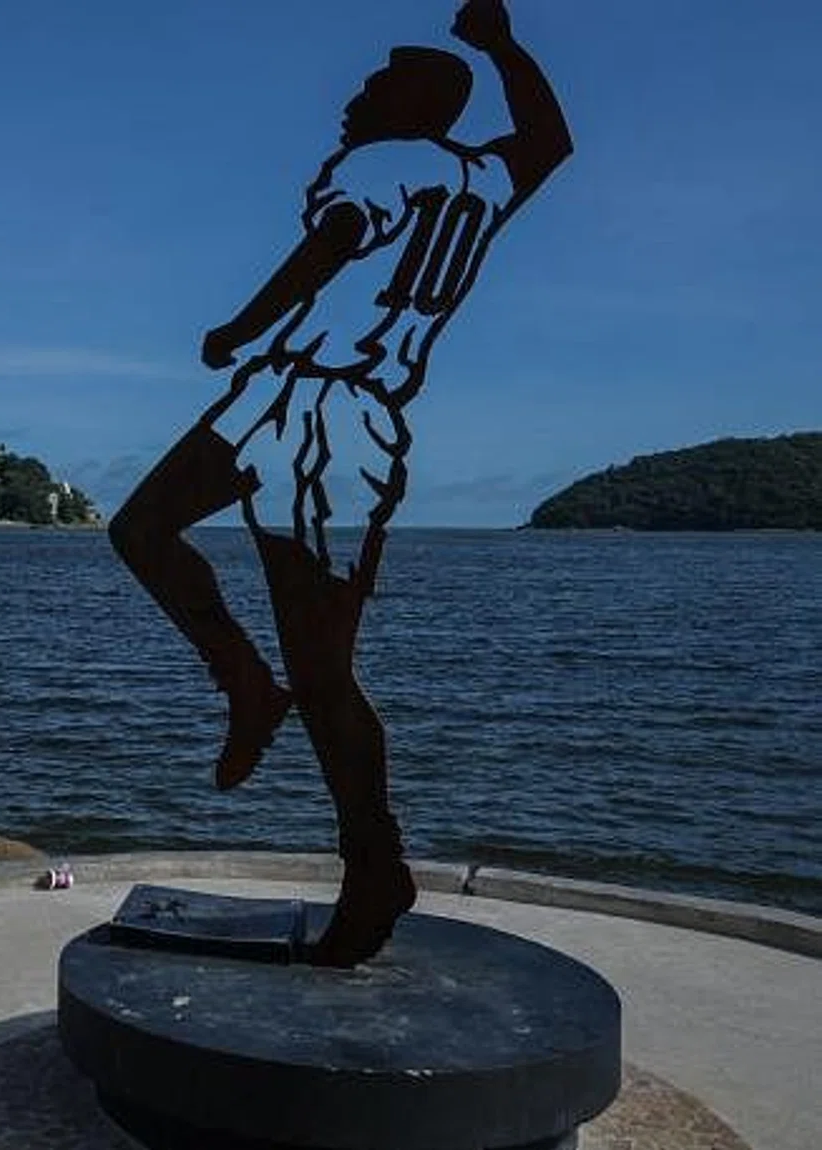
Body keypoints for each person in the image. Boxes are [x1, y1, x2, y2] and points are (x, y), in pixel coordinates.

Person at [110, 0, 571, 966]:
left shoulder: (385, 163)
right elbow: (548, 140)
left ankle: (375, 863)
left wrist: (235, 329)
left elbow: (330, 245)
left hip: (325, 411)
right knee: (143, 528)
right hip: (303, 401)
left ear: (413, 107)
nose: (350, 100)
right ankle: (247, 685)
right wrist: (505, 48)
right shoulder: (483, 181)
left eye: (372, 88)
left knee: (320, 669)